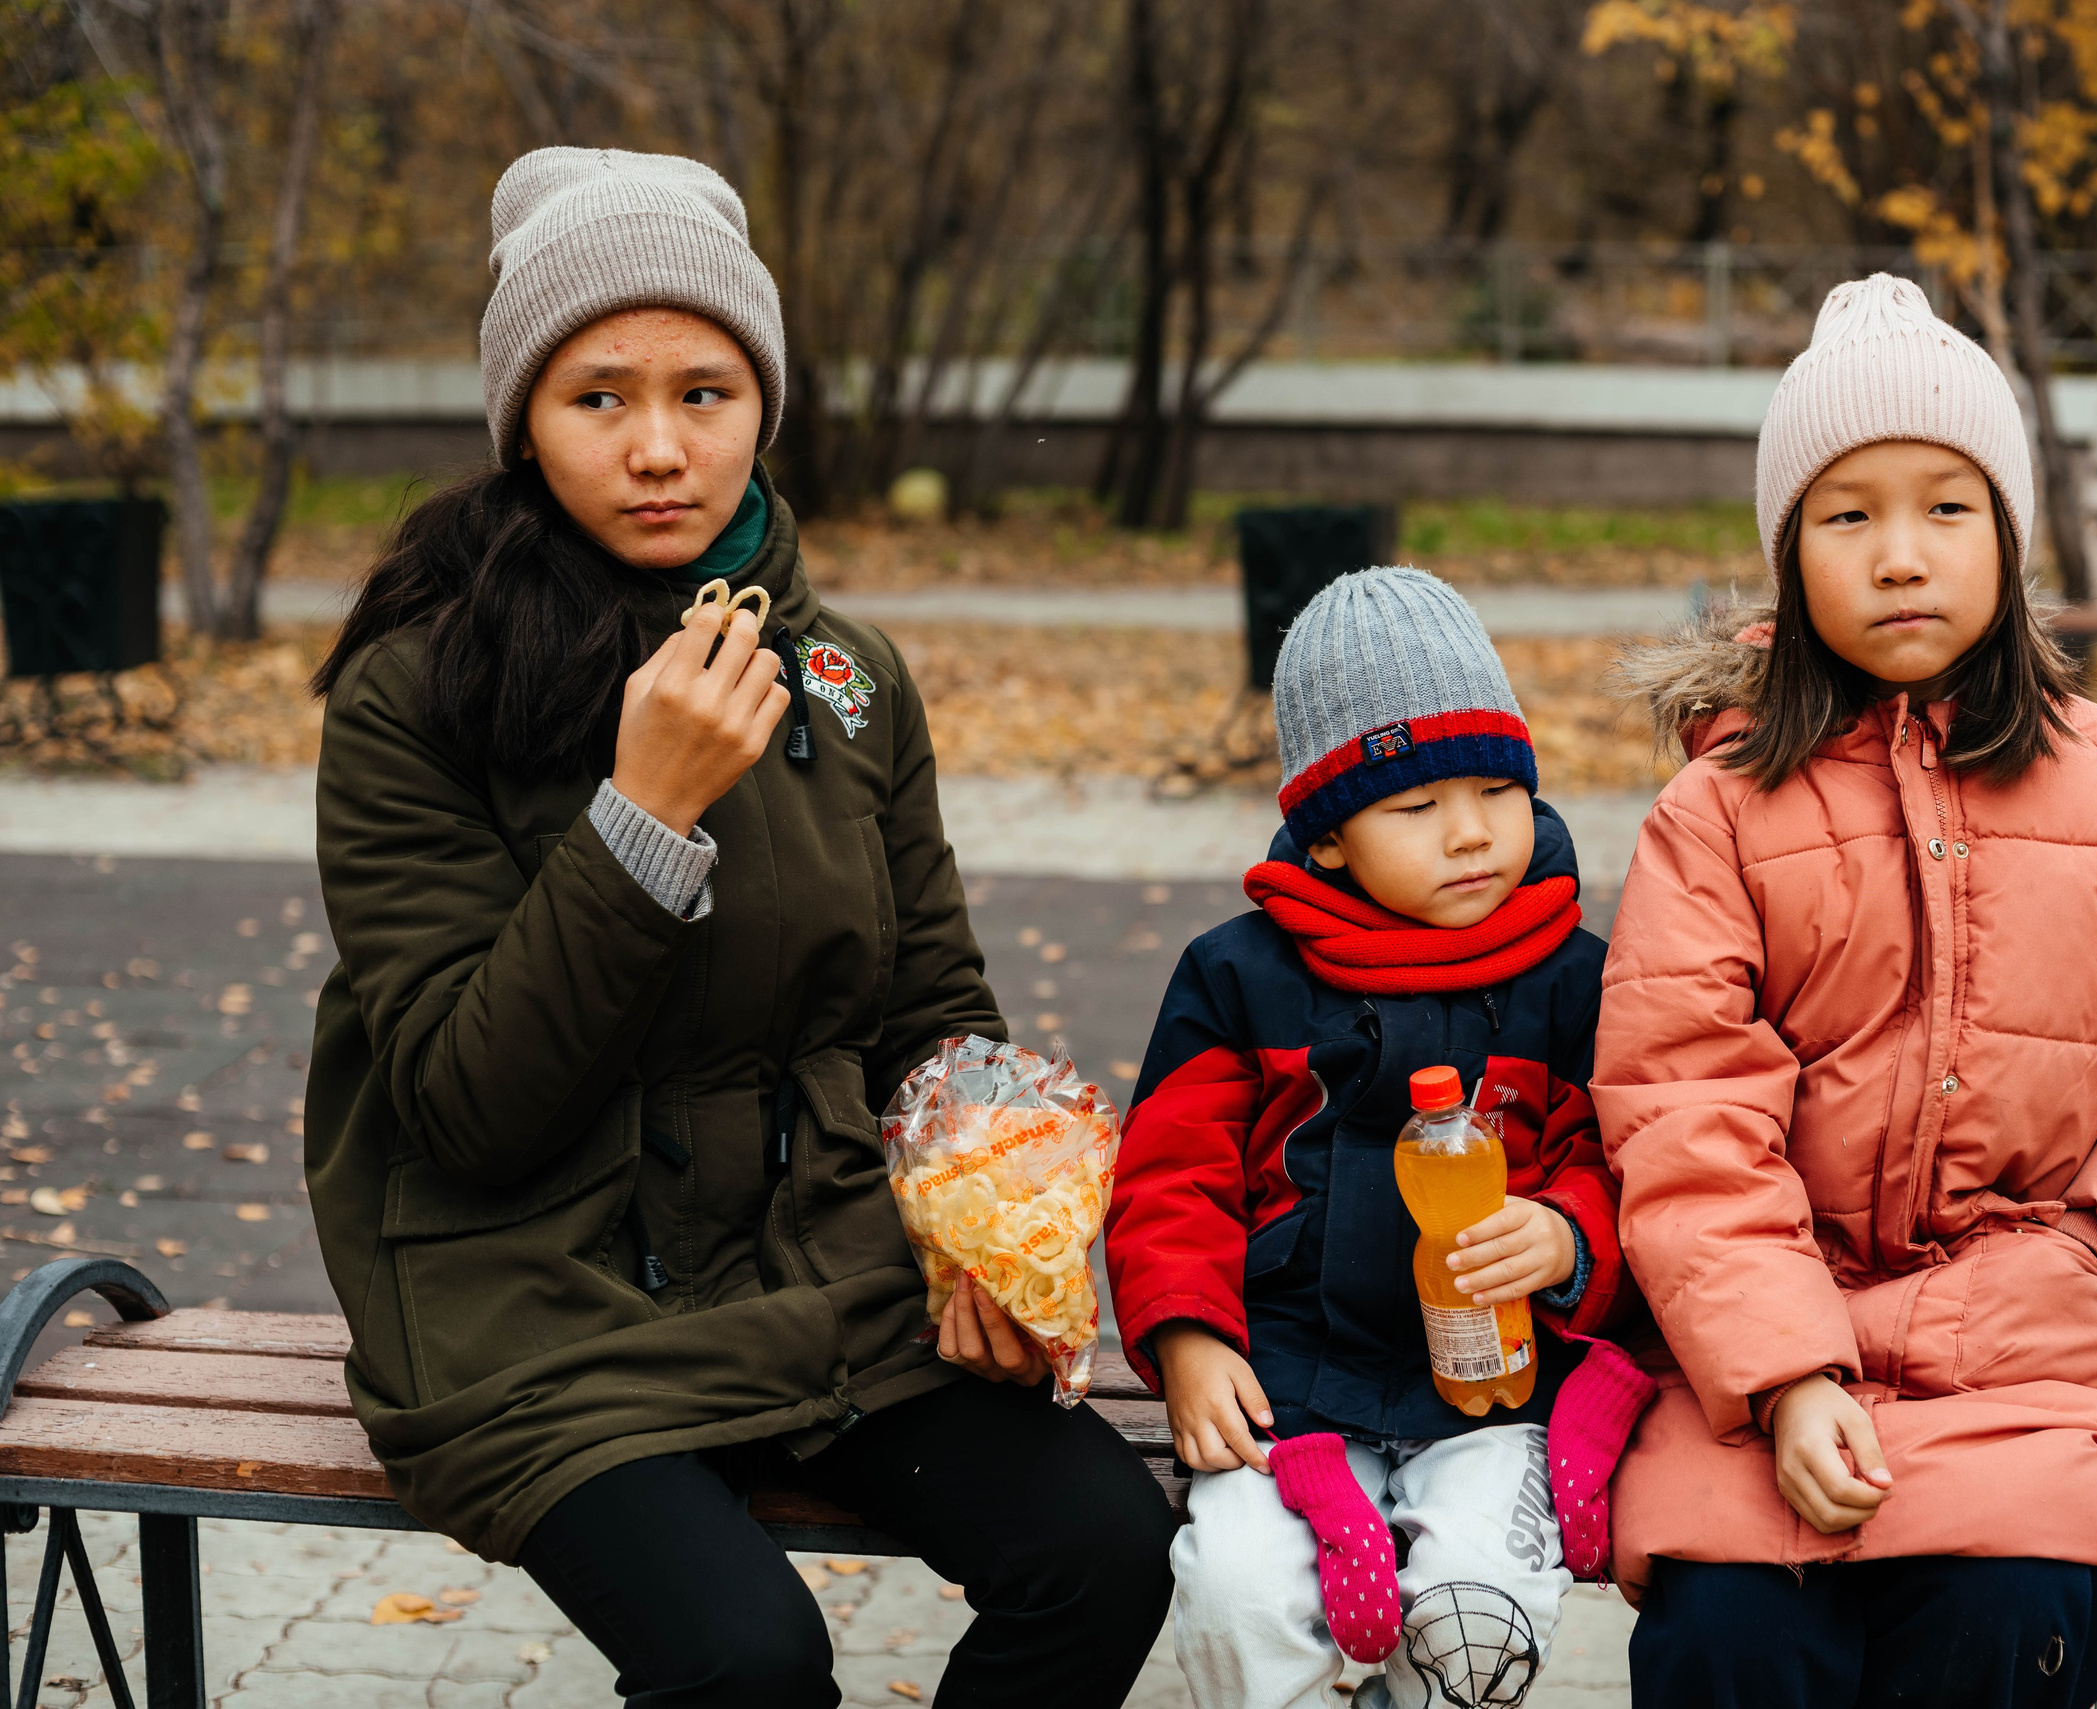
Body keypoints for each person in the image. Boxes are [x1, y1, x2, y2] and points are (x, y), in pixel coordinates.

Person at [302, 147, 1174, 1709]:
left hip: (823, 1275)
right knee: (748, 1660)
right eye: (598, 398)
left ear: (764, 403)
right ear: (523, 421)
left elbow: (930, 1011)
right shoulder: (414, 693)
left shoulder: (849, 677)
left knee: (1108, 1547)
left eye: (703, 392)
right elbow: (461, 1107)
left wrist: (983, 1228)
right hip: (536, 1299)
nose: (657, 448)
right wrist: (642, 821)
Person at [1595, 272, 2097, 1708]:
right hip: (1767, 1354)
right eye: (1850, 516)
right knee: (1734, 1644)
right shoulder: (1718, 814)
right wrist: (1787, 1374)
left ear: (2010, 539)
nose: (1902, 555)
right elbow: (1685, 1110)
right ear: (1792, 558)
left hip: (2029, 1349)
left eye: (1947, 508)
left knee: (2011, 1616)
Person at [1105, 568, 1657, 1709]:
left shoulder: (1574, 977)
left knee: (1475, 1618)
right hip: (1287, 1383)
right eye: (1414, 809)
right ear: (1328, 840)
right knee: (1240, 1590)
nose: (1469, 834)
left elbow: (1628, 1153)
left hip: (1503, 1391)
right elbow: (1173, 1173)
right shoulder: (1238, 975)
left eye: (1495, 791)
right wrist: (1190, 1336)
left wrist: (1566, 1238)